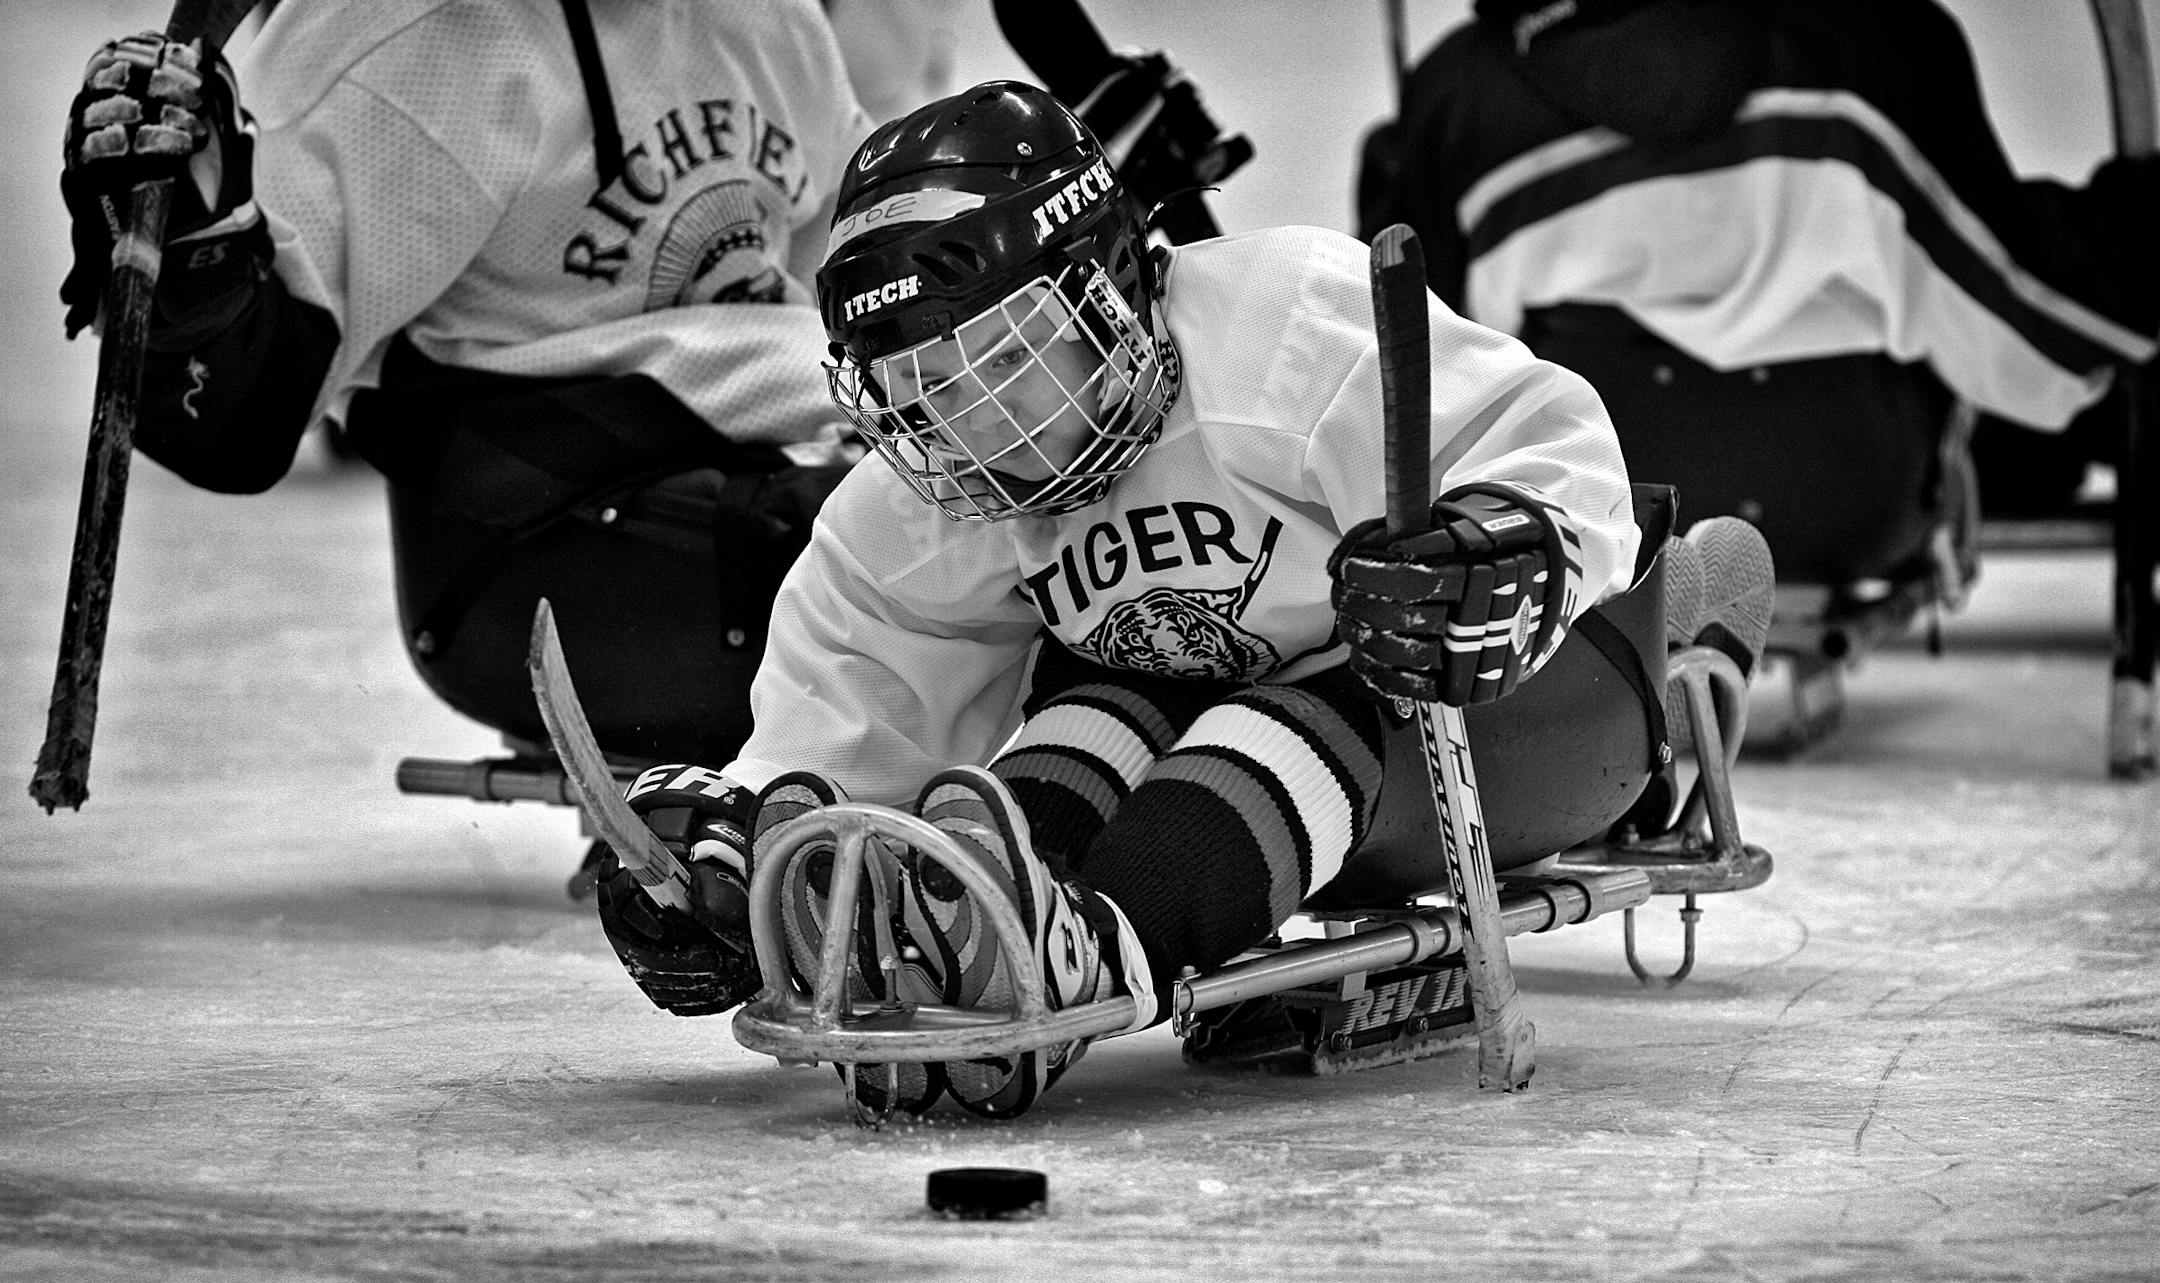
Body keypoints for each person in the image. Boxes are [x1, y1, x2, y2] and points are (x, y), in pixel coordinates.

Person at [590, 79, 1662, 1121]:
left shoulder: (1281, 324)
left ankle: (1074, 970)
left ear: (1110, 283)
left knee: (1302, 695)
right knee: (1096, 703)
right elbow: (856, 707)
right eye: (917, 393)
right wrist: (740, 858)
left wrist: (1500, 545)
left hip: (1521, 715)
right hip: (1274, 778)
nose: (963, 432)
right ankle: (986, 934)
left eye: (996, 360)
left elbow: (1552, 445)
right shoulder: (935, 488)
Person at [60, 0, 877, 777]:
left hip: (773, 460)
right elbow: (234, 425)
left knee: (975, 492)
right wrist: (191, 261)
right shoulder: (393, 46)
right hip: (552, 552)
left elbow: (845, 272)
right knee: (933, 551)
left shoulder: (768, 16)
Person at [1356, 0, 2160, 583]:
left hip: (1586, 526)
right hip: (1848, 503)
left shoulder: (1453, 98)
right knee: (2043, 396)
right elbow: (2039, 342)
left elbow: (1427, 405)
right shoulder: (1866, 50)